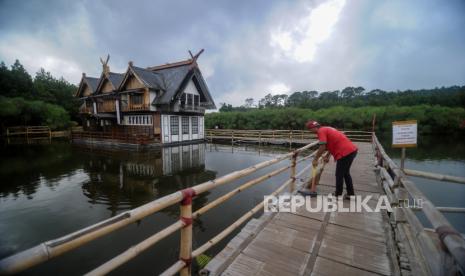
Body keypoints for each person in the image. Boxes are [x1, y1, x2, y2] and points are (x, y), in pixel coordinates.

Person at [306, 120, 358, 198]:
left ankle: (338, 194)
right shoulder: (326, 128)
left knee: (339, 174)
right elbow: (331, 143)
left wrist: (315, 159)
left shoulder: (320, 131)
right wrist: (327, 156)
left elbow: (322, 146)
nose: (310, 132)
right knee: (346, 173)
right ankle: (350, 194)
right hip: (351, 151)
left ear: (313, 128)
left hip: (345, 152)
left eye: (310, 130)